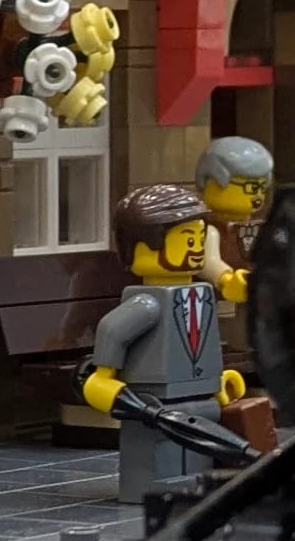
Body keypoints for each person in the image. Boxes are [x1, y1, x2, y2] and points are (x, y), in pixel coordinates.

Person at [79, 185, 248, 505]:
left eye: (199, 240)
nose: (196, 249)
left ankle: (193, 492)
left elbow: (199, 341)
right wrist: (103, 376)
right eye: (187, 240)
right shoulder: (148, 303)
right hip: (155, 404)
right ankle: (151, 493)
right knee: (158, 455)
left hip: (200, 398)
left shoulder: (200, 294)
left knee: (199, 456)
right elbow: (113, 330)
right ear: (143, 246)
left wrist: (215, 381)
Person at [195, 135, 274, 288]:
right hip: (218, 294)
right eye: (251, 188)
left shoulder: (261, 227)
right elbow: (208, 262)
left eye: (262, 187)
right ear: (212, 182)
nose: (257, 196)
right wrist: (227, 280)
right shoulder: (206, 230)